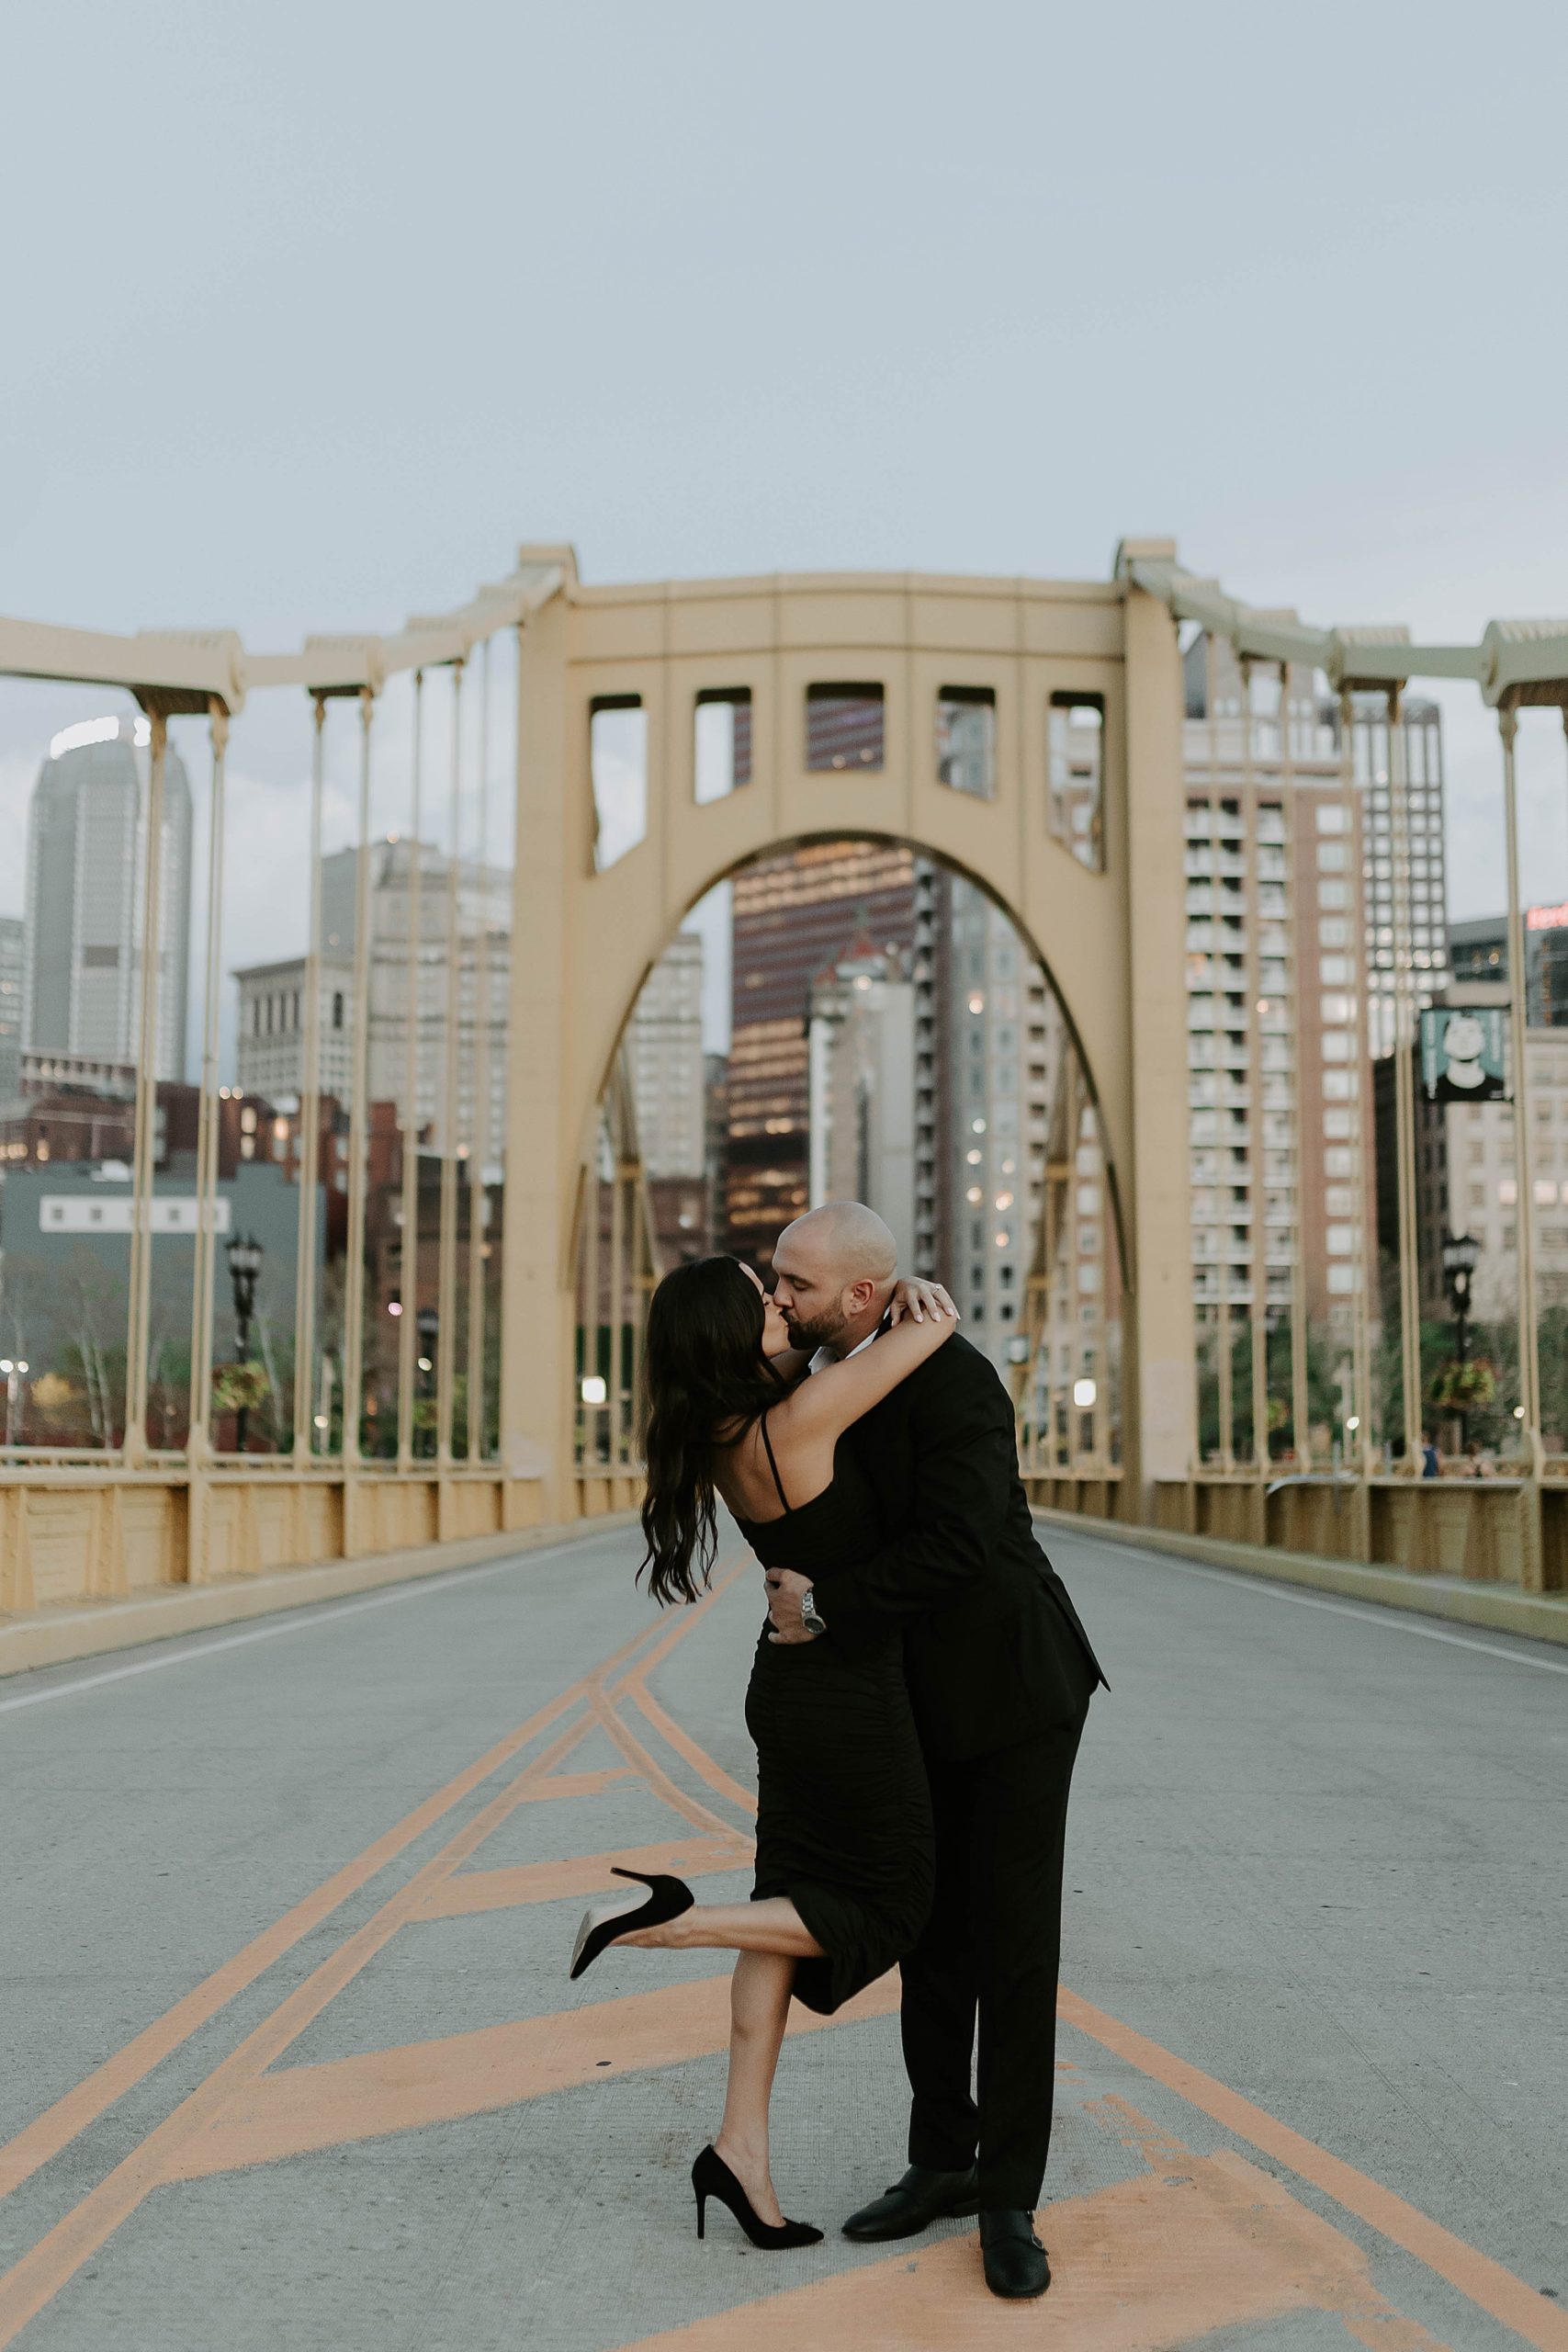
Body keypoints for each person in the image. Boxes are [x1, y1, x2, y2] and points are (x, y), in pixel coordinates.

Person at [567, 1239, 960, 2254]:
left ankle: (740, 2149)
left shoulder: (719, 1430)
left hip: (784, 1687)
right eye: (765, 1300)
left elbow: (814, 1352)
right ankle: (671, 1919)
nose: (783, 1307)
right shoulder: (803, 1417)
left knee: (781, 1910)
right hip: (846, 1694)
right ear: (732, 1336)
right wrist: (908, 1291)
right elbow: (929, 1331)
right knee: (898, 1903)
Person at [766, 1203, 1107, 2302]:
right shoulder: (829, 1365)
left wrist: (827, 1608)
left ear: (863, 1294)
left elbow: (960, 1542)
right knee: (929, 1929)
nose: (781, 1298)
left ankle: (1008, 2195)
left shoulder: (955, 1378)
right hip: (911, 1700)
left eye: (798, 1284)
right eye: (776, 1280)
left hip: (1012, 1692)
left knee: (1012, 1941)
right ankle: (941, 2159)